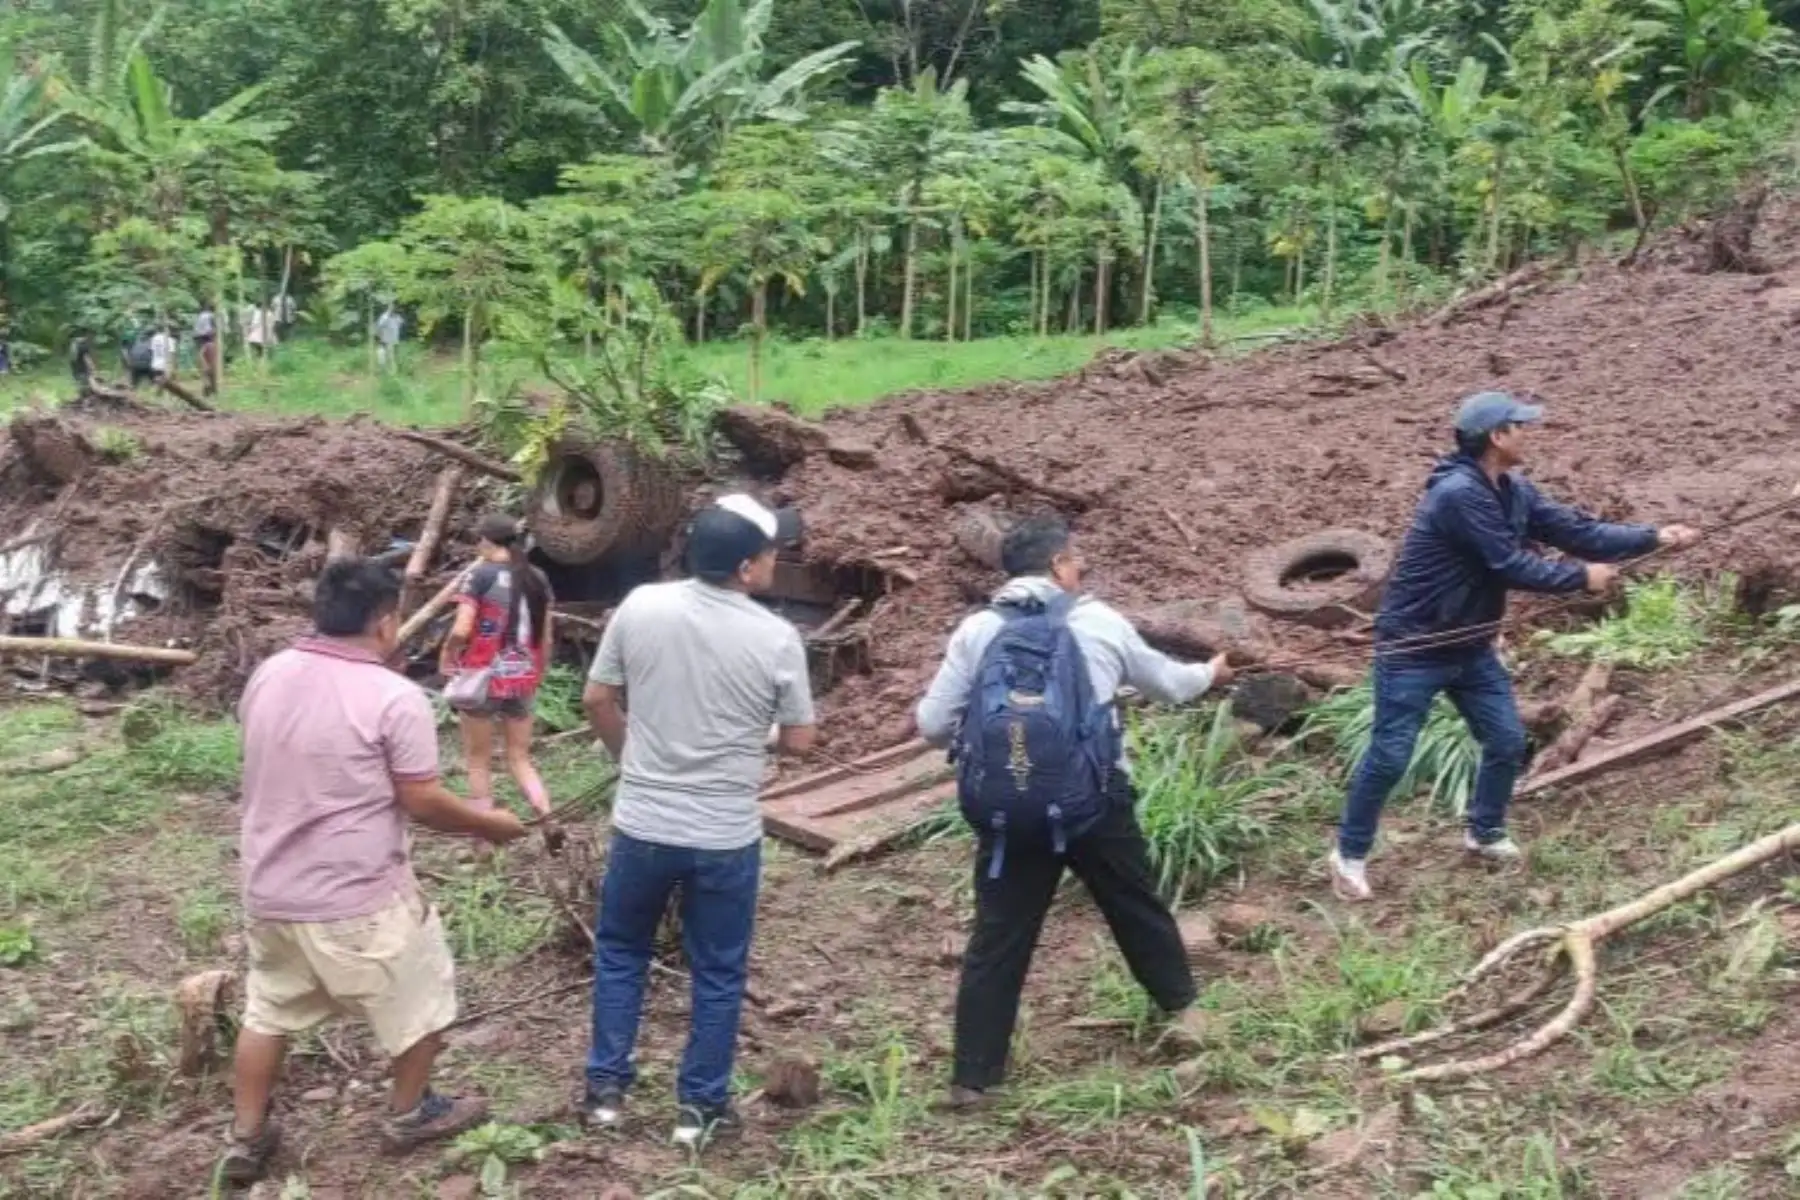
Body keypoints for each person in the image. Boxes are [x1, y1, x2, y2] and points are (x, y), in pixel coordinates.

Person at [220, 558, 527, 1185]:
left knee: (268, 1011)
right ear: (386, 623)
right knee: (424, 997)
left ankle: (247, 1135)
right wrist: (487, 821)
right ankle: (408, 1112)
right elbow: (420, 799)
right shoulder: (394, 696)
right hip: (355, 895)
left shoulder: (270, 673)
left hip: (269, 888)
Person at [914, 514, 1233, 1109]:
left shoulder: (977, 630)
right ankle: (1187, 1017)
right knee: (1133, 903)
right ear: (1059, 565)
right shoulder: (1096, 620)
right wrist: (1210, 673)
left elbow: (931, 725)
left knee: (999, 934)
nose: (1080, 568)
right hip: (1094, 800)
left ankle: (974, 1078)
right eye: (1075, 559)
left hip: (1012, 809)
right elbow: (1168, 684)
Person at [1328, 392, 1700, 902]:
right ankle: (1348, 854)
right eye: (1520, 426)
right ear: (1497, 436)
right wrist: (1579, 578)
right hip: (1415, 646)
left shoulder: (1512, 489)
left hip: (1471, 643)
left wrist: (1653, 536)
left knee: (1504, 740)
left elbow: (1576, 530)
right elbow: (1508, 564)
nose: (1529, 434)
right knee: (1391, 755)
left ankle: (1483, 833)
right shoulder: (1458, 494)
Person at [580, 494, 816, 1149]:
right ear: (746, 567)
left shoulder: (641, 606)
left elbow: (598, 698)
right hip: (723, 836)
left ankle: (604, 1094)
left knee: (622, 954)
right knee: (716, 971)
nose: (775, 562)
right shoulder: (775, 638)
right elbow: (800, 742)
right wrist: (755, 735)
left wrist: (632, 759)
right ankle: (700, 1110)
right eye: (771, 553)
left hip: (643, 824)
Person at [440, 513, 555, 823]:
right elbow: (545, 636)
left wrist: (449, 655)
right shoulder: (537, 578)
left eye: (479, 539)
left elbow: (462, 630)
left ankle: (483, 839)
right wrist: (538, 672)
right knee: (520, 757)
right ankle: (547, 816)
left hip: (482, 675)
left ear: (488, 541)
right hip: (522, 676)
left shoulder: (480, 576)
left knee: (478, 759)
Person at [194, 306, 219, 396]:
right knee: (212, 363)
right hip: (208, 338)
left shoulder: (199, 316)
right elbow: (214, 328)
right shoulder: (211, 315)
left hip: (199, 340)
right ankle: (212, 387)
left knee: (203, 363)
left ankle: (206, 384)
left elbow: (196, 331)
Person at [377, 305, 404, 371]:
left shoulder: (397, 317)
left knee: (394, 356)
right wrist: (380, 337)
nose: (393, 311)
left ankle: (394, 370)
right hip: (386, 339)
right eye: (391, 309)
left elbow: (401, 322)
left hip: (395, 340)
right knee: (384, 355)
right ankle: (384, 369)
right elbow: (379, 327)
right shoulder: (384, 317)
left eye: (394, 309)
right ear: (388, 309)